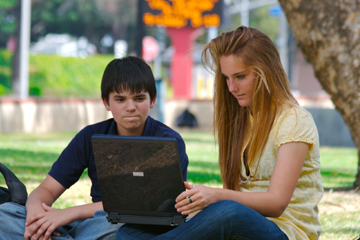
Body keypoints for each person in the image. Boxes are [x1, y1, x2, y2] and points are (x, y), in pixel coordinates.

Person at [116, 26, 323, 240]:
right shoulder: (242, 118)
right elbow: (235, 196)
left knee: (228, 212)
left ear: (265, 72)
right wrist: (198, 201)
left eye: (240, 76)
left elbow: (277, 203)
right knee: (130, 232)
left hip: (285, 232)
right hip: (237, 224)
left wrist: (215, 197)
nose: (231, 87)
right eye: (226, 78)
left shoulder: (295, 120)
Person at [0, 56, 188, 240]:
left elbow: (148, 208)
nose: (130, 107)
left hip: (129, 226)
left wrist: (68, 213)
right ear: (106, 102)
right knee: (6, 214)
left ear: (152, 100)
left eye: (139, 98)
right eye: (120, 100)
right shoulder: (89, 136)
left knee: (122, 227)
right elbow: (47, 189)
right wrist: (35, 216)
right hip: (91, 225)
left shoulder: (169, 141)